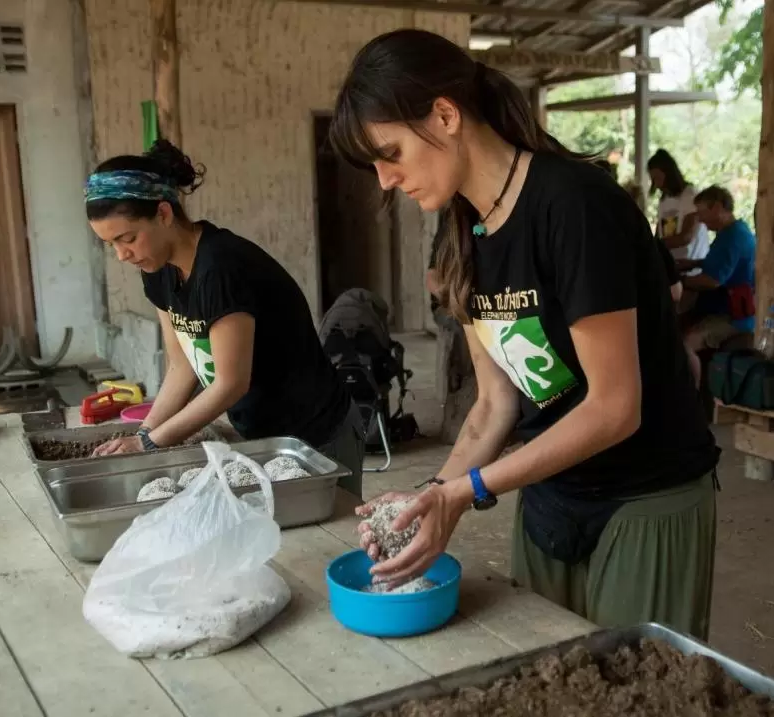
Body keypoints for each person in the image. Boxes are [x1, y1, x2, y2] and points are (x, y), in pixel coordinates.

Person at [330, 29, 719, 637]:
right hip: (551, 494)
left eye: (391, 153)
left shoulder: (573, 207)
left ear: (445, 114)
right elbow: (495, 404)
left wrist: (468, 491)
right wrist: (433, 495)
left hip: (645, 494)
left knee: (634, 687)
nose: (384, 180)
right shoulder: (464, 229)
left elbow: (616, 408)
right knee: (548, 674)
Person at [84, 140, 366, 495]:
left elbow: (231, 383)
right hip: (261, 434)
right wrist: (145, 433)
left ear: (164, 214)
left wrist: (151, 444)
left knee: (326, 538)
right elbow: (182, 366)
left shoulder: (220, 268)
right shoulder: (158, 269)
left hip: (318, 433)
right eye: (111, 245)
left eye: (128, 238)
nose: (122, 255)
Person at [680, 186, 757, 388]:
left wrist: (679, 282)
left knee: (685, 344)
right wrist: (695, 263)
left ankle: (691, 395)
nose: (701, 220)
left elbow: (711, 280)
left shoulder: (731, 238)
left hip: (733, 316)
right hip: (728, 309)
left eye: (702, 213)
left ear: (717, 207)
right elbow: (719, 264)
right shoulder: (735, 231)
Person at [647, 149, 710, 265]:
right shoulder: (663, 199)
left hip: (691, 267)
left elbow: (686, 237)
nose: (656, 184)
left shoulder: (689, 195)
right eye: (653, 179)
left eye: (658, 178)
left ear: (669, 174)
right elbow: (659, 234)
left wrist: (652, 245)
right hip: (673, 265)